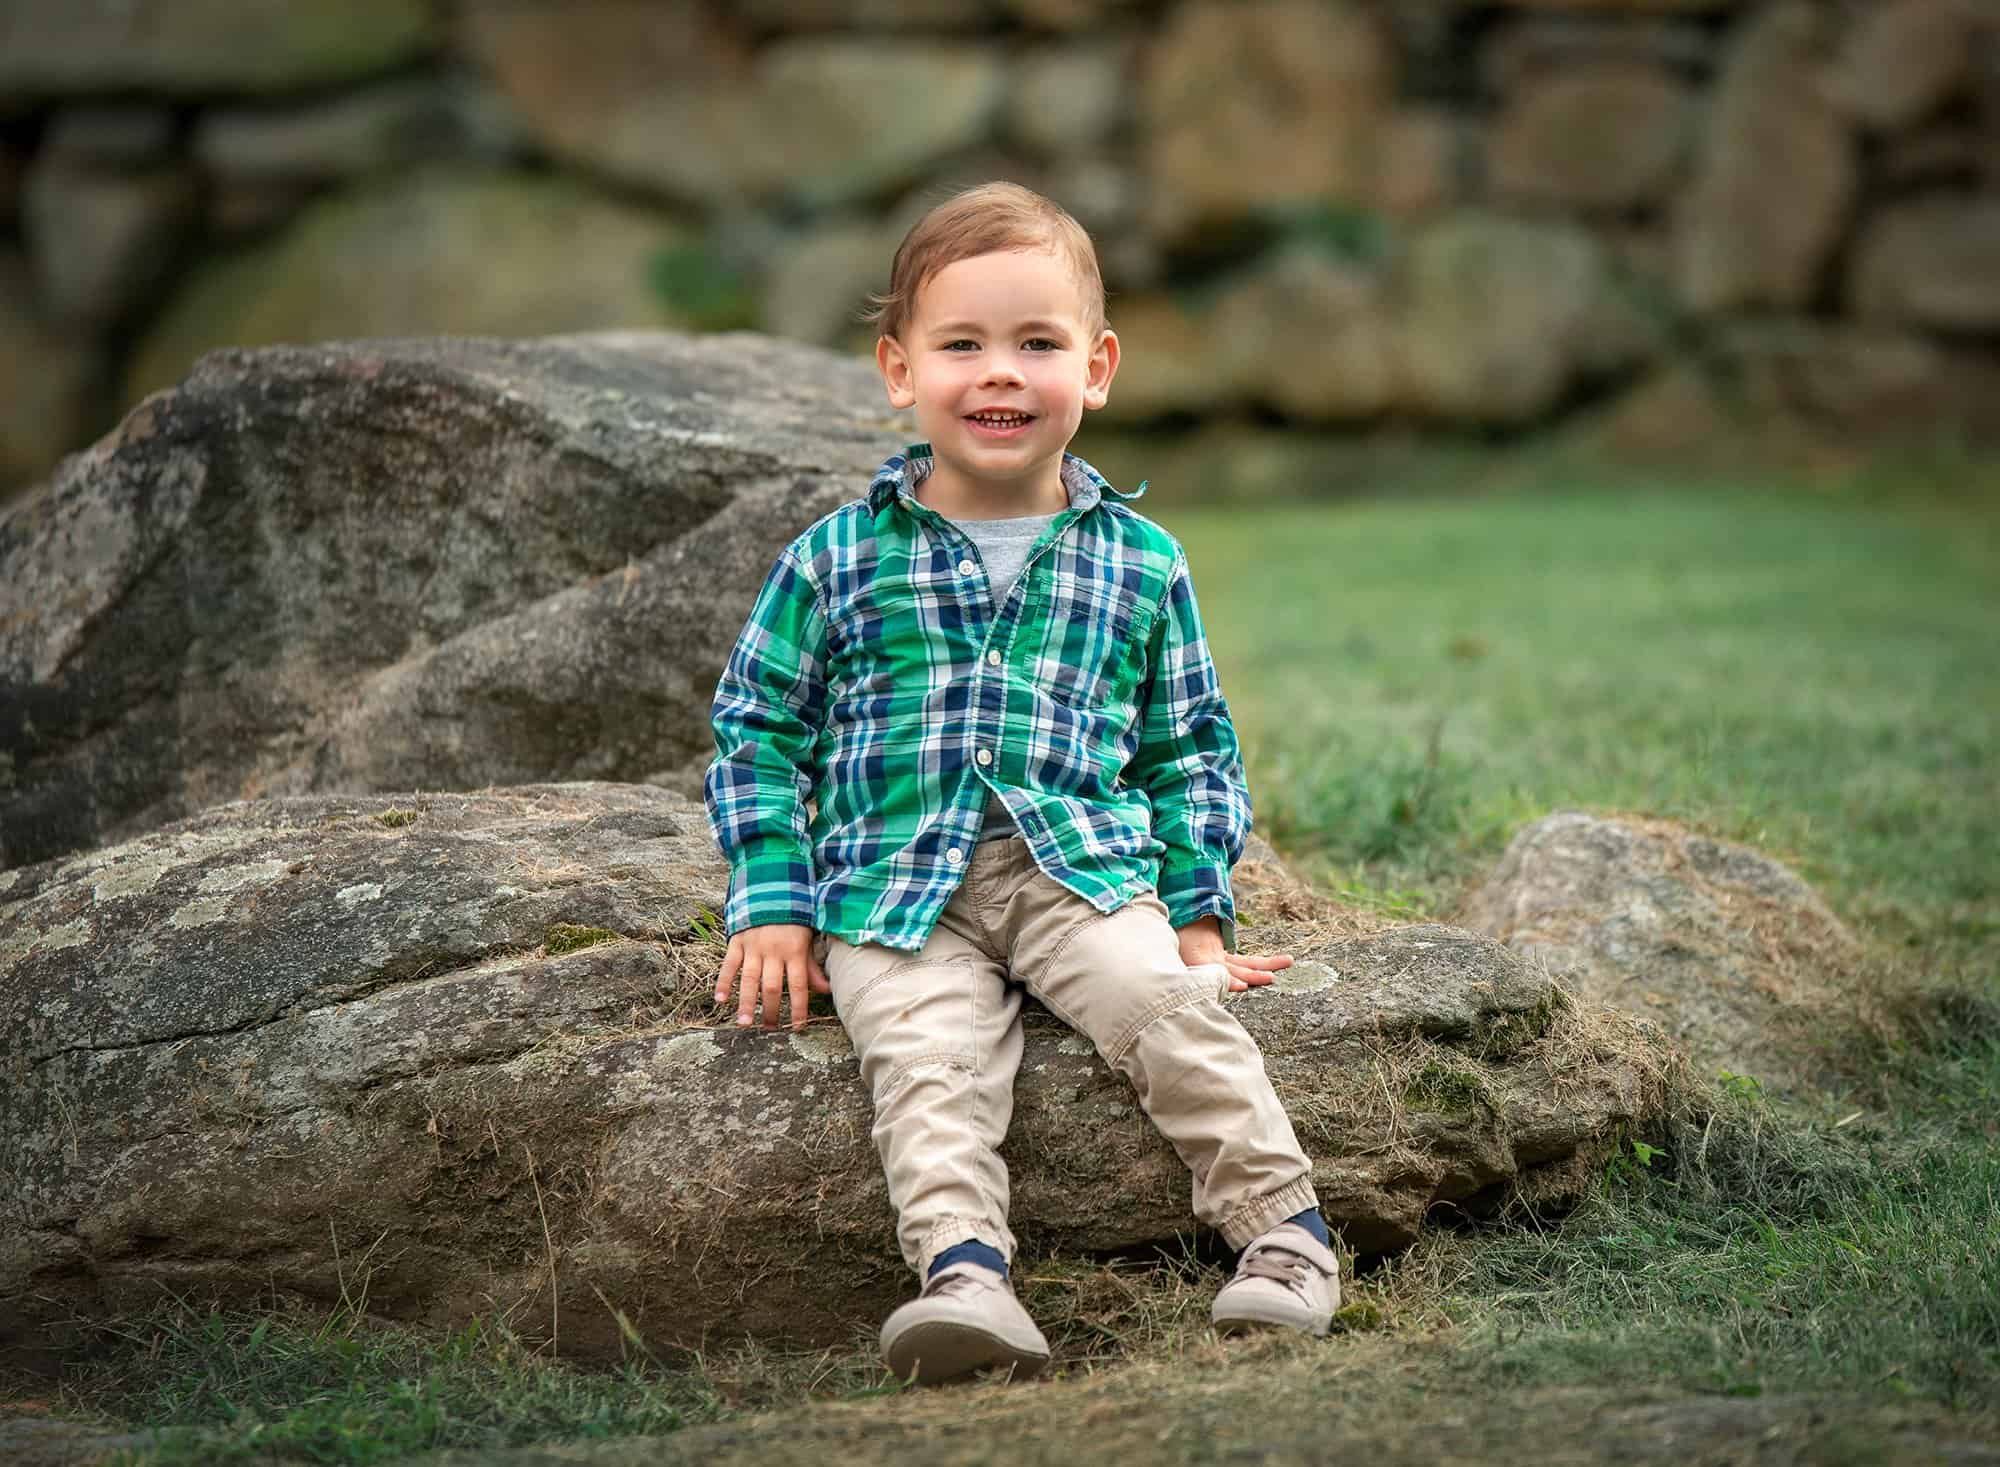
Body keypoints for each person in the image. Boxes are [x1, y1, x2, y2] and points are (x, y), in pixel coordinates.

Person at [703, 182, 1337, 1385]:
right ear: (899, 370)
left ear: (1096, 368)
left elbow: (1187, 744)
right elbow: (755, 728)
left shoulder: (1140, 563)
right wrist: (773, 901)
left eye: (1035, 344)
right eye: (962, 345)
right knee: (925, 1064)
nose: (1000, 373)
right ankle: (966, 1278)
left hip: (1080, 875)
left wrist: (1196, 914)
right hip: (892, 891)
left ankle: (1284, 1239)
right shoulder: (835, 557)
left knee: (1168, 1015)